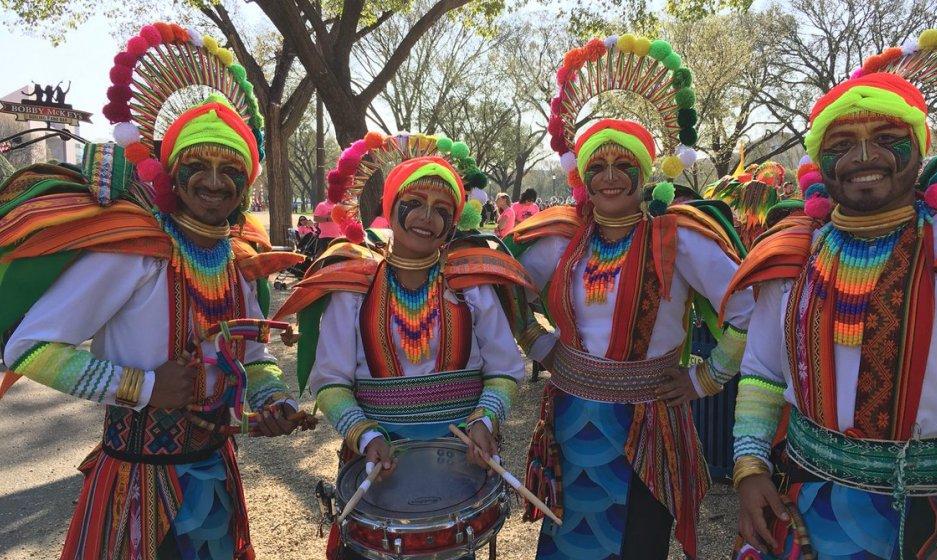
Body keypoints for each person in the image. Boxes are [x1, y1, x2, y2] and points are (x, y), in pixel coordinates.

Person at [0, 22, 306, 559]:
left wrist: (272, 398)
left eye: (230, 169)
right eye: (198, 165)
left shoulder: (237, 261)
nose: (214, 181)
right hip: (135, 488)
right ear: (169, 171)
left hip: (216, 474)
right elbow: (26, 349)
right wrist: (139, 387)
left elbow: (253, 359)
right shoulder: (134, 253)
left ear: (246, 182)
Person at [725, 58, 937, 559]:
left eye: (886, 137)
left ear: (920, 148)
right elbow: (762, 373)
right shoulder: (794, 251)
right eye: (841, 145)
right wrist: (750, 467)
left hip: (929, 519)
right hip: (801, 502)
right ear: (820, 161)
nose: (863, 156)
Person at [508, 35, 754, 560]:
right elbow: (503, 286)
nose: (611, 176)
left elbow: (750, 306)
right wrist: (540, 345)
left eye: (625, 165)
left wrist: (705, 377)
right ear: (582, 176)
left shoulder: (679, 238)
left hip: (648, 423)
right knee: (565, 535)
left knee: (636, 543)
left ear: (648, 173)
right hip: (572, 418)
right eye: (598, 166)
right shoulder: (561, 238)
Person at [271, 132, 536, 559]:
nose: (427, 217)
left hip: (461, 470)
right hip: (379, 464)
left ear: (454, 221)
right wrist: (365, 432)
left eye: (441, 209)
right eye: (414, 203)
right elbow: (331, 380)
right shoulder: (353, 288)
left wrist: (486, 420)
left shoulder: (472, 286)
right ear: (390, 207)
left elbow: (504, 369)